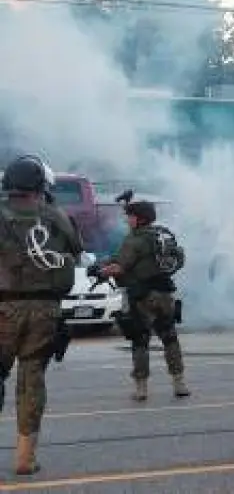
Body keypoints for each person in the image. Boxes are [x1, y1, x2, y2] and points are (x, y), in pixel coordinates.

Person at [0, 155, 81, 475]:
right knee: (32, 378)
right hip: (45, 310)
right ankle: (25, 457)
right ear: (41, 186)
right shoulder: (57, 216)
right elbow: (76, 252)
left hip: (2, 308)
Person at [99, 199, 191, 401]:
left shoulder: (135, 240)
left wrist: (101, 272)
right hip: (165, 295)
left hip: (142, 297)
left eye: (130, 217)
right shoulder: (162, 236)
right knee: (170, 339)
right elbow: (178, 259)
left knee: (140, 341)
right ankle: (179, 383)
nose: (127, 220)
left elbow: (120, 267)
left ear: (139, 219)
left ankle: (141, 388)